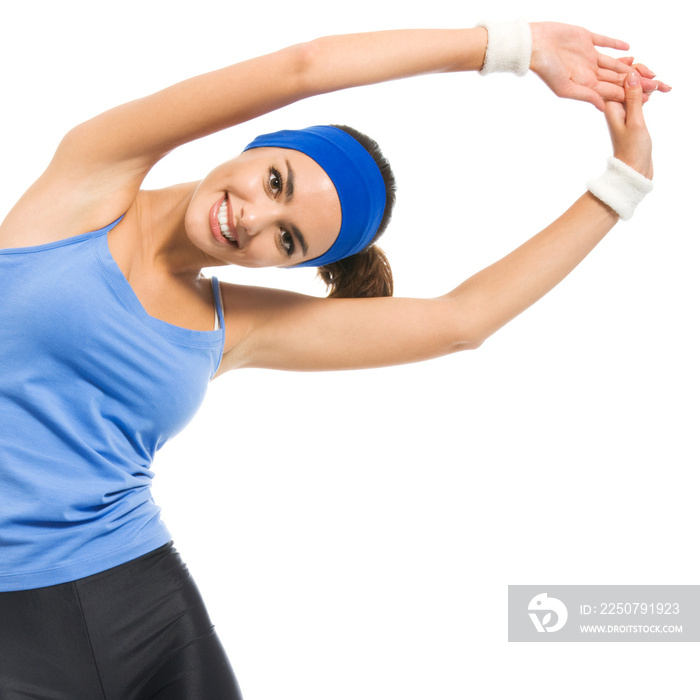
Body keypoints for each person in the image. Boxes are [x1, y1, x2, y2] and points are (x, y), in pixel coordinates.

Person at [0, 19, 668, 699]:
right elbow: (305, 67)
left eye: (288, 241)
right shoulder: (93, 176)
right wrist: (512, 48)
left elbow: (461, 321)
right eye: (275, 181)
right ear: (260, 147)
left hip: (139, 601)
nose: (253, 219)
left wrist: (622, 184)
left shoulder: (235, 325)